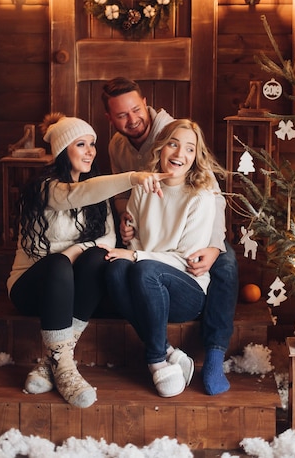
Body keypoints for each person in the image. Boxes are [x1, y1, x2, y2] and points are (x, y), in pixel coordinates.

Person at [6, 112, 170, 409]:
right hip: (32, 289)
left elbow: (107, 239)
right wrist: (132, 178)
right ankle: (66, 371)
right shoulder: (45, 188)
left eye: (92, 144)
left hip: (72, 291)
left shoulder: (96, 189)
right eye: (81, 144)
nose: (91, 151)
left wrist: (76, 252)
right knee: (58, 264)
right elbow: (73, 197)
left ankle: (56, 360)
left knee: (97, 257)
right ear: (61, 151)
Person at [101, 77, 239, 395]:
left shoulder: (174, 133)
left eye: (136, 110)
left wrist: (215, 245)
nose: (132, 119)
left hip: (185, 258)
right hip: (151, 248)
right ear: (110, 118)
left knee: (226, 263)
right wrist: (127, 224)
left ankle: (214, 355)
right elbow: (124, 196)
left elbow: (211, 196)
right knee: (118, 266)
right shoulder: (120, 150)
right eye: (121, 115)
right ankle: (165, 353)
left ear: (146, 103)